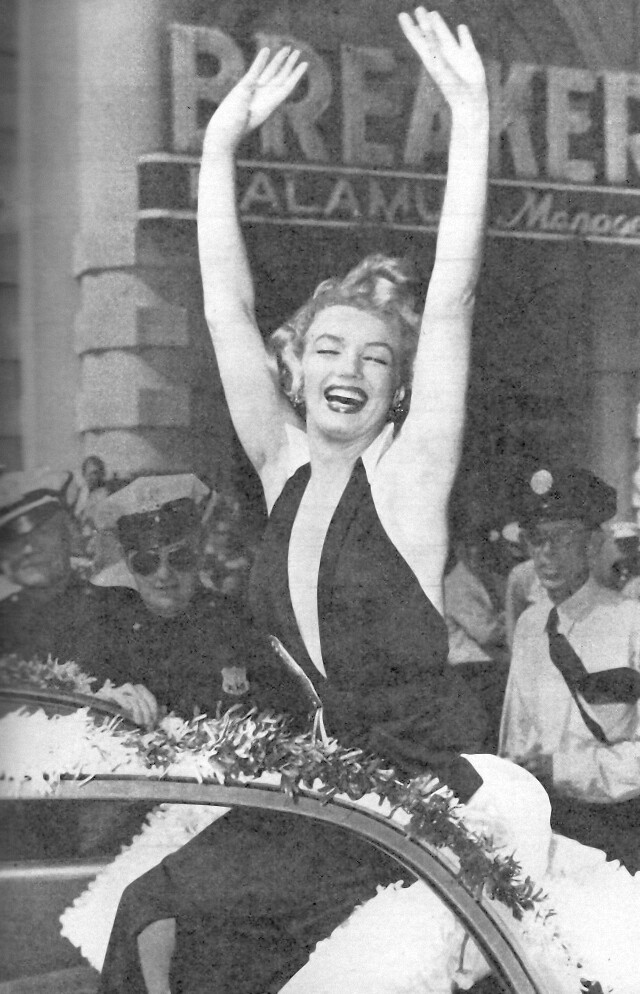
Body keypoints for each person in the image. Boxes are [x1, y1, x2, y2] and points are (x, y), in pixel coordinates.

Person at [101, 10, 490, 993]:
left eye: (374, 358)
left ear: (397, 390)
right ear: (297, 368)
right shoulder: (282, 466)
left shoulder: (410, 481)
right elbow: (225, 304)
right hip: (315, 794)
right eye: (328, 348)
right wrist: (219, 145)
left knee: (194, 925)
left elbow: (450, 300)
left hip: (398, 808)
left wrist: (472, 121)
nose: (348, 369)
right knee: (146, 906)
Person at [499, 465, 640, 872]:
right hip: (547, 826)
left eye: (561, 539)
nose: (546, 554)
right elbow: (516, 732)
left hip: (619, 830)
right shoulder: (531, 626)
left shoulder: (630, 622)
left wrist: (564, 769)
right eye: (536, 539)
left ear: (593, 544)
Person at [83, 473, 259, 721]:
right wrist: (105, 702)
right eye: (146, 562)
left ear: (200, 551)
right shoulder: (107, 631)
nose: (163, 574)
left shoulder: (239, 624)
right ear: (127, 562)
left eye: (180, 558)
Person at [444, 520, 508, 751]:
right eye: (470, 545)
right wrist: (512, 622)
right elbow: (487, 633)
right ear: (458, 549)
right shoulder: (456, 584)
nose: (477, 551)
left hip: (490, 667)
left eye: (481, 544)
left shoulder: (484, 578)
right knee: (486, 735)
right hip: (472, 671)